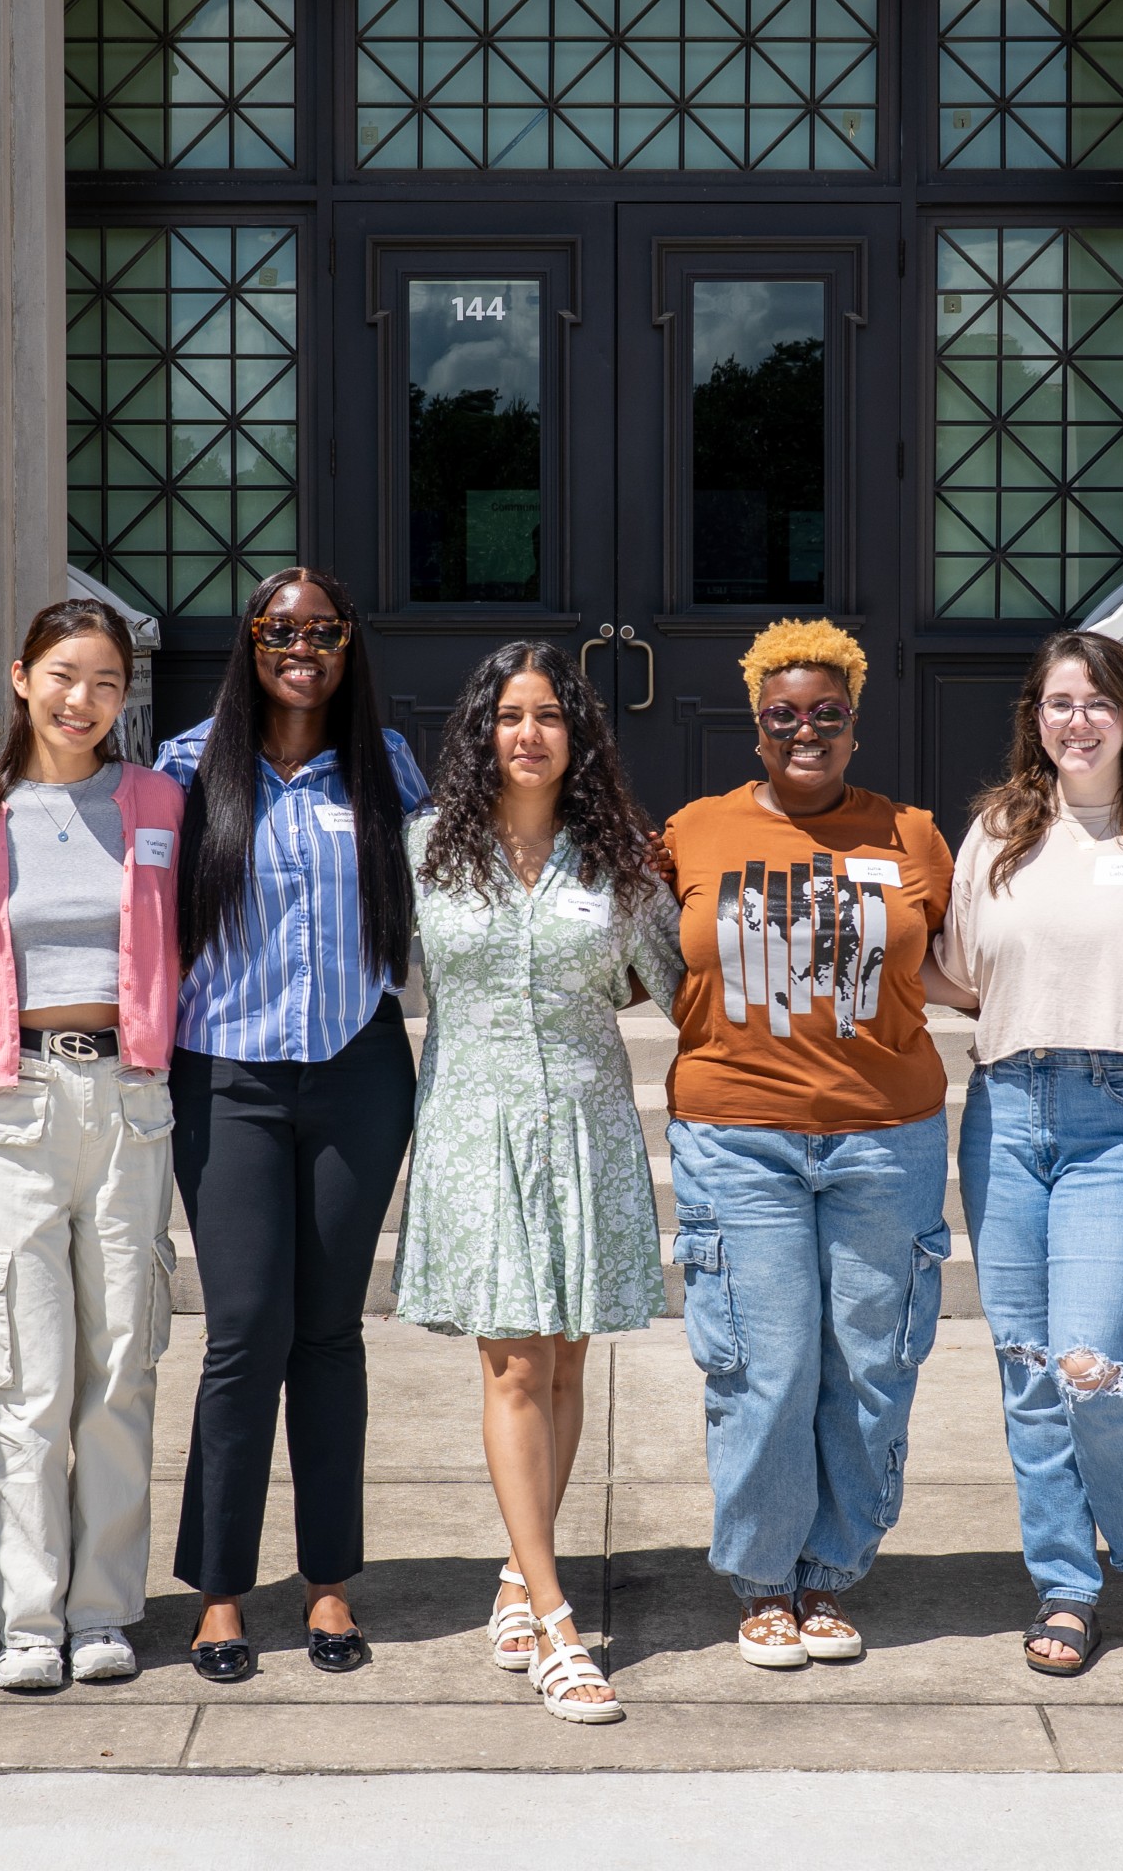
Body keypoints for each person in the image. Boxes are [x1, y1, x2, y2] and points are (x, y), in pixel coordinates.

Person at [396, 642, 681, 1724]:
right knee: (514, 1364)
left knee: (563, 1366)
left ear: (579, 736)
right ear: (481, 734)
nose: (529, 733)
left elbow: (685, 985)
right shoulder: (426, 851)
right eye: (509, 715)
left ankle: (520, 1571)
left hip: (586, 1127)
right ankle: (559, 1619)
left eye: (550, 715)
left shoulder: (616, 863)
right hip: (475, 1128)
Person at [662, 617, 955, 1668]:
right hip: (739, 1139)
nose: (806, 730)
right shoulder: (693, 831)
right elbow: (653, 961)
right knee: (765, 1365)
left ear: (855, 724)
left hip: (887, 1138)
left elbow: (959, 968)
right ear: (755, 724)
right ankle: (761, 1579)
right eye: (784, 714)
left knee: (871, 1363)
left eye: (827, 714)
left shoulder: (912, 834)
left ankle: (833, 1572)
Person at [156, 566, 427, 1683]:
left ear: (351, 642)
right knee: (243, 1334)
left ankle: (327, 1583)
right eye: (280, 628)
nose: (301, 646)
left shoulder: (387, 768)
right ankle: (221, 1592)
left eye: (322, 629)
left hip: (356, 1072)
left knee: (330, 1335)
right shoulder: (183, 767)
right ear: (251, 641)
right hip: (227, 1079)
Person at [934, 632, 1123, 1675]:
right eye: (1059, 704)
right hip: (1010, 1106)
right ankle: (1063, 1579)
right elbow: (959, 974)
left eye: (1097, 701)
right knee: (1026, 1367)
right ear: (1036, 720)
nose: (1078, 721)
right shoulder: (999, 833)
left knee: (1093, 1364)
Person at [0, 598, 184, 1691]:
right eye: (64, 675)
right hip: (9, 1109)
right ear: (23, 676)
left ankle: (105, 1611)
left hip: (129, 1107)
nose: (83, 700)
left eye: (107, 683)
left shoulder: (156, 801)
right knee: (23, 1380)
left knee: (120, 1370)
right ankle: (30, 1618)